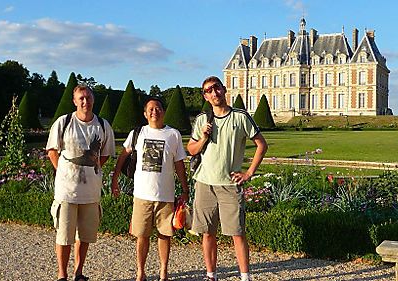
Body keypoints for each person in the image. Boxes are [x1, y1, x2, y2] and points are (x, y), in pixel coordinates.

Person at [187, 76, 268, 281]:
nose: (214, 93)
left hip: (229, 184)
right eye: (208, 91)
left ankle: (245, 277)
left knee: (237, 233)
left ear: (224, 89)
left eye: (216, 88)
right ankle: (211, 275)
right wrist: (204, 137)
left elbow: (261, 145)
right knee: (207, 233)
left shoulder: (240, 117)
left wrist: (248, 173)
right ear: (205, 96)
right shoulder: (202, 120)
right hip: (205, 182)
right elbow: (191, 149)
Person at [112, 97, 190, 281]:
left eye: (158, 108)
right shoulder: (137, 133)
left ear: (163, 112)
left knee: (165, 235)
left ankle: (163, 271)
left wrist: (185, 189)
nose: (155, 111)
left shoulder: (173, 134)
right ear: (145, 114)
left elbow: (179, 164)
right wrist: (115, 179)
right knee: (142, 236)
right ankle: (141, 271)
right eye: (151, 109)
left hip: (165, 195)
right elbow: (123, 156)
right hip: (142, 194)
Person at [46, 85, 115, 281]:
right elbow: (52, 150)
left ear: (93, 100)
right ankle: (62, 274)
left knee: (85, 236)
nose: (85, 102)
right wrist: (63, 171)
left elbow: (106, 153)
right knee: (64, 236)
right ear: (75, 101)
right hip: (67, 191)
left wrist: (91, 166)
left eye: (88, 98)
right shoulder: (64, 122)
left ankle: (78, 272)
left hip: (91, 192)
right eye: (81, 98)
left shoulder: (102, 125)